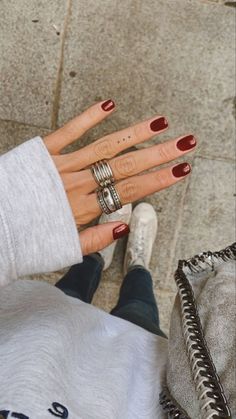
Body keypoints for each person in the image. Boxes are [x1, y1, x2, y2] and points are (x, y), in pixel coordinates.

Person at [0, 100, 234, 419]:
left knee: (67, 292)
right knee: (138, 306)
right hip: (136, 381)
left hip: (29, 334)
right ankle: (136, 264)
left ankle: (95, 252)